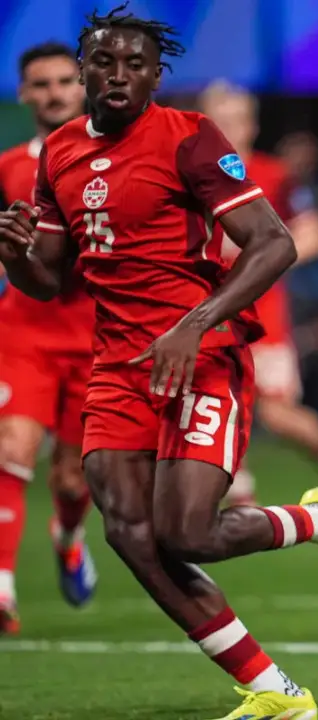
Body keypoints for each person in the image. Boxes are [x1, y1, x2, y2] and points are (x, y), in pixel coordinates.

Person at [0, 7, 318, 718]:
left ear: (156, 76)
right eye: (104, 63)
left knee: (186, 533)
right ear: (87, 71)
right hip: (118, 366)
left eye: (134, 65)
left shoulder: (190, 140)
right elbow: (50, 280)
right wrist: (14, 254)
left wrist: (195, 322)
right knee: (128, 532)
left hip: (202, 356)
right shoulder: (57, 153)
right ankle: (275, 693)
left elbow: (273, 242)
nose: (118, 76)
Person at [197, 80, 318, 523]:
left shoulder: (274, 174)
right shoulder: (188, 175)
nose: (229, 128)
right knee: (210, 400)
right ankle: (237, 493)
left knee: (277, 413)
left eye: (237, 119)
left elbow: (315, 232)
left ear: (252, 124)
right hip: (202, 307)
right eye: (218, 120)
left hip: (262, 310)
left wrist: (262, 261)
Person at [0, 41, 98, 633]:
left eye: (65, 81)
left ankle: (67, 534)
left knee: (71, 476)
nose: (55, 92)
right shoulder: (9, 166)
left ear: (82, 86)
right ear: (23, 93)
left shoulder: (111, 159)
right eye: (42, 84)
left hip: (96, 337)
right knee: (11, 450)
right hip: (25, 334)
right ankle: (3, 590)